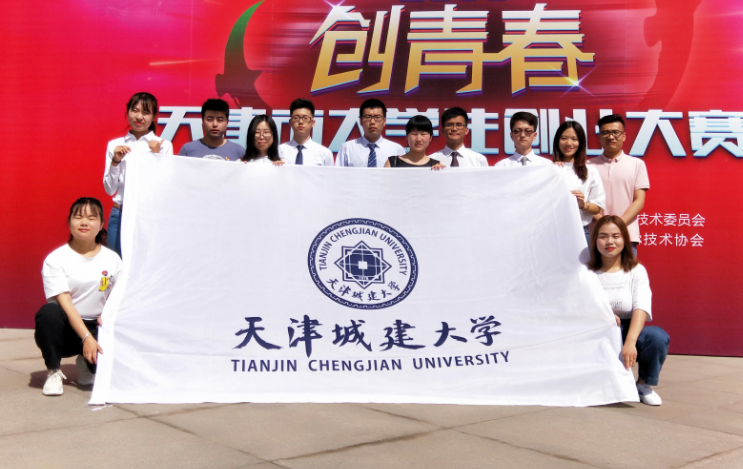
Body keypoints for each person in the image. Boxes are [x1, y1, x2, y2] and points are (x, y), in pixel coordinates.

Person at [35, 198, 122, 396]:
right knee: (49, 313)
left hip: (97, 326)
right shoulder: (56, 259)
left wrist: (109, 316)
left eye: (91, 218)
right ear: (69, 222)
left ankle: (86, 363)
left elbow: (121, 296)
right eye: (78, 217)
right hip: (66, 330)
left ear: (101, 224)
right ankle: (54, 371)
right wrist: (86, 337)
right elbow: (65, 303)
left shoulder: (113, 259)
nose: (84, 222)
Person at [589, 215, 669, 406]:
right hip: (596, 332)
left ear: (624, 240)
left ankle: (643, 385)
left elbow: (641, 307)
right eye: (603, 236)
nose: (610, 241)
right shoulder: (586, 273)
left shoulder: (636, 270)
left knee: (656, 337)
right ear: (595, 241)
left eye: (616, 236)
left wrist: (631, 342)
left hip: (626, 329)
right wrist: (603, 316)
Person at [103, 92, 173, 257]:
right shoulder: (115, 145)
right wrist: (115, 161)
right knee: (114, 264)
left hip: (149, 214)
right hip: (119, 213)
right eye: (135, 110)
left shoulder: (163, 146)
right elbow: (109, 189)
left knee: (146, 263)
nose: (139, 117)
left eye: (146, 112)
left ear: (154, 117)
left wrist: (156, 156)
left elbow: (165, 188)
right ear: (127, 112)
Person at [588, 114, 649, 256]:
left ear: (624, 136)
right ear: (599, 137)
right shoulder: (588, 166)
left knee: (626, 271)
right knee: (594, 271)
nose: (611, 137)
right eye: (605, 133)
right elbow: (585, 201)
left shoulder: (637, 164)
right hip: (596, 236)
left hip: (626, 235)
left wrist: (617, 225)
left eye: (615, 132)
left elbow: (639, 201)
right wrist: (603, 224)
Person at [552, 121, 606, 244]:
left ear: (580, 143)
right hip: (552, 232)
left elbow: (598, 206)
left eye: (574, 139)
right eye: (564, 138)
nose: (569, 143)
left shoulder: (590, 171)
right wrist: (551, 171)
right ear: (557, 141)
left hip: (580, 231)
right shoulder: (549, 169)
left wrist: (583, 205)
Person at [336, 99, 405, 167]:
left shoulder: (396, 150)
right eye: (367, 117)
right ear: (361, 121)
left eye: (377, 117)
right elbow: (338, 173)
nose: (372, 122)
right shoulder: (347, 148)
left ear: (384, 121)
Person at [178, 98, 244, 161]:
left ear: (227, 122)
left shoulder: (239, 152)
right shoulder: (188, 150)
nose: (215, 124)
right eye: (210, 119)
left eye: (220, 120)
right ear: (203, 121)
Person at [279, 99, 334, 166]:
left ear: (313, 123)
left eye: (305, 118)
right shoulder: (279, 151)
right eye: (296, 118)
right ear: (290, 122)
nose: (301, 122)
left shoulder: (324, 153)